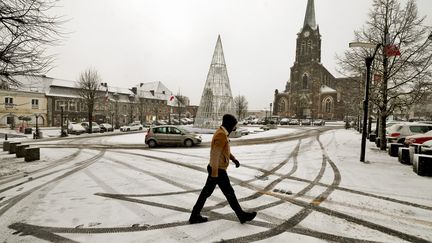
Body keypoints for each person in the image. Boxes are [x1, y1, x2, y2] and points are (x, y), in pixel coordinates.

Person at [189, 114, 257, 224]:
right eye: (234, 125)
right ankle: (241, 215)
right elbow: (215, 155)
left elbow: (224, 151)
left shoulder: (222, 133)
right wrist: (214, 175)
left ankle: (194, 214)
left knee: (209, 193)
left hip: (216, 169)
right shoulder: (221, 135)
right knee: (228, 193)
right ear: (229, 124)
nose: (235, 128)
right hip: (218, 170)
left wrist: (233, 159)